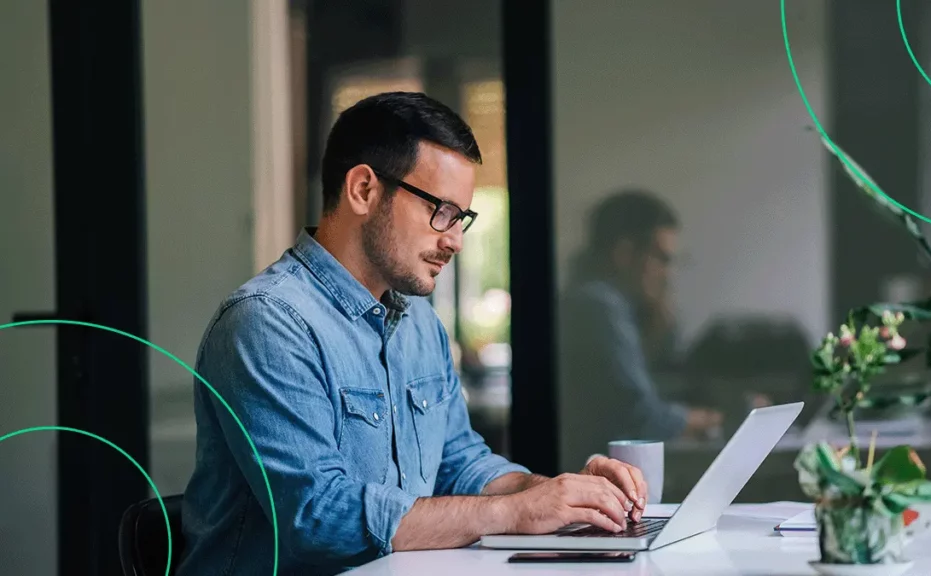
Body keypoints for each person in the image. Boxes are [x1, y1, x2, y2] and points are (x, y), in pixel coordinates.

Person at [176, 92, 649, 576]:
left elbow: (460, 464)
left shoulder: (418, 322)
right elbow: (318, 516)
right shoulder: (267, 322)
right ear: (363, 190)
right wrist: (516, 512)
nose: (455, 240)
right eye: (441, 211)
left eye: (461, 218)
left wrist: (559, 495)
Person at [559, 190, 725, 467]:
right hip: (594, 474)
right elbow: (641, 414)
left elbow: (650, 387)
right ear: (625, 253)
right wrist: (716, 419)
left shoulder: (608, 304)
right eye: (662, 258)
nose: (668, 273)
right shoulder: (597, 306)